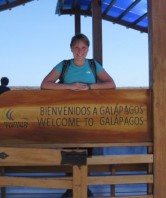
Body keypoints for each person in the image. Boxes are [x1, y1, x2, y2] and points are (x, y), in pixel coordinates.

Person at [41, 33, 115, 198]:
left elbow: (111, 84)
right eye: (76, 48)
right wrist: (69, 86)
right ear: (71, 49)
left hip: (89, 119)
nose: (80, 51)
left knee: (86, 153)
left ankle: (84, 188)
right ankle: (70, 188)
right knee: (68, 152)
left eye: (83, 48)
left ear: (87, 49)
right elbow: (44, 84)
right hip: (67, 118)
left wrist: (90, 87)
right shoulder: (64, 65)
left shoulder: (94, 65)